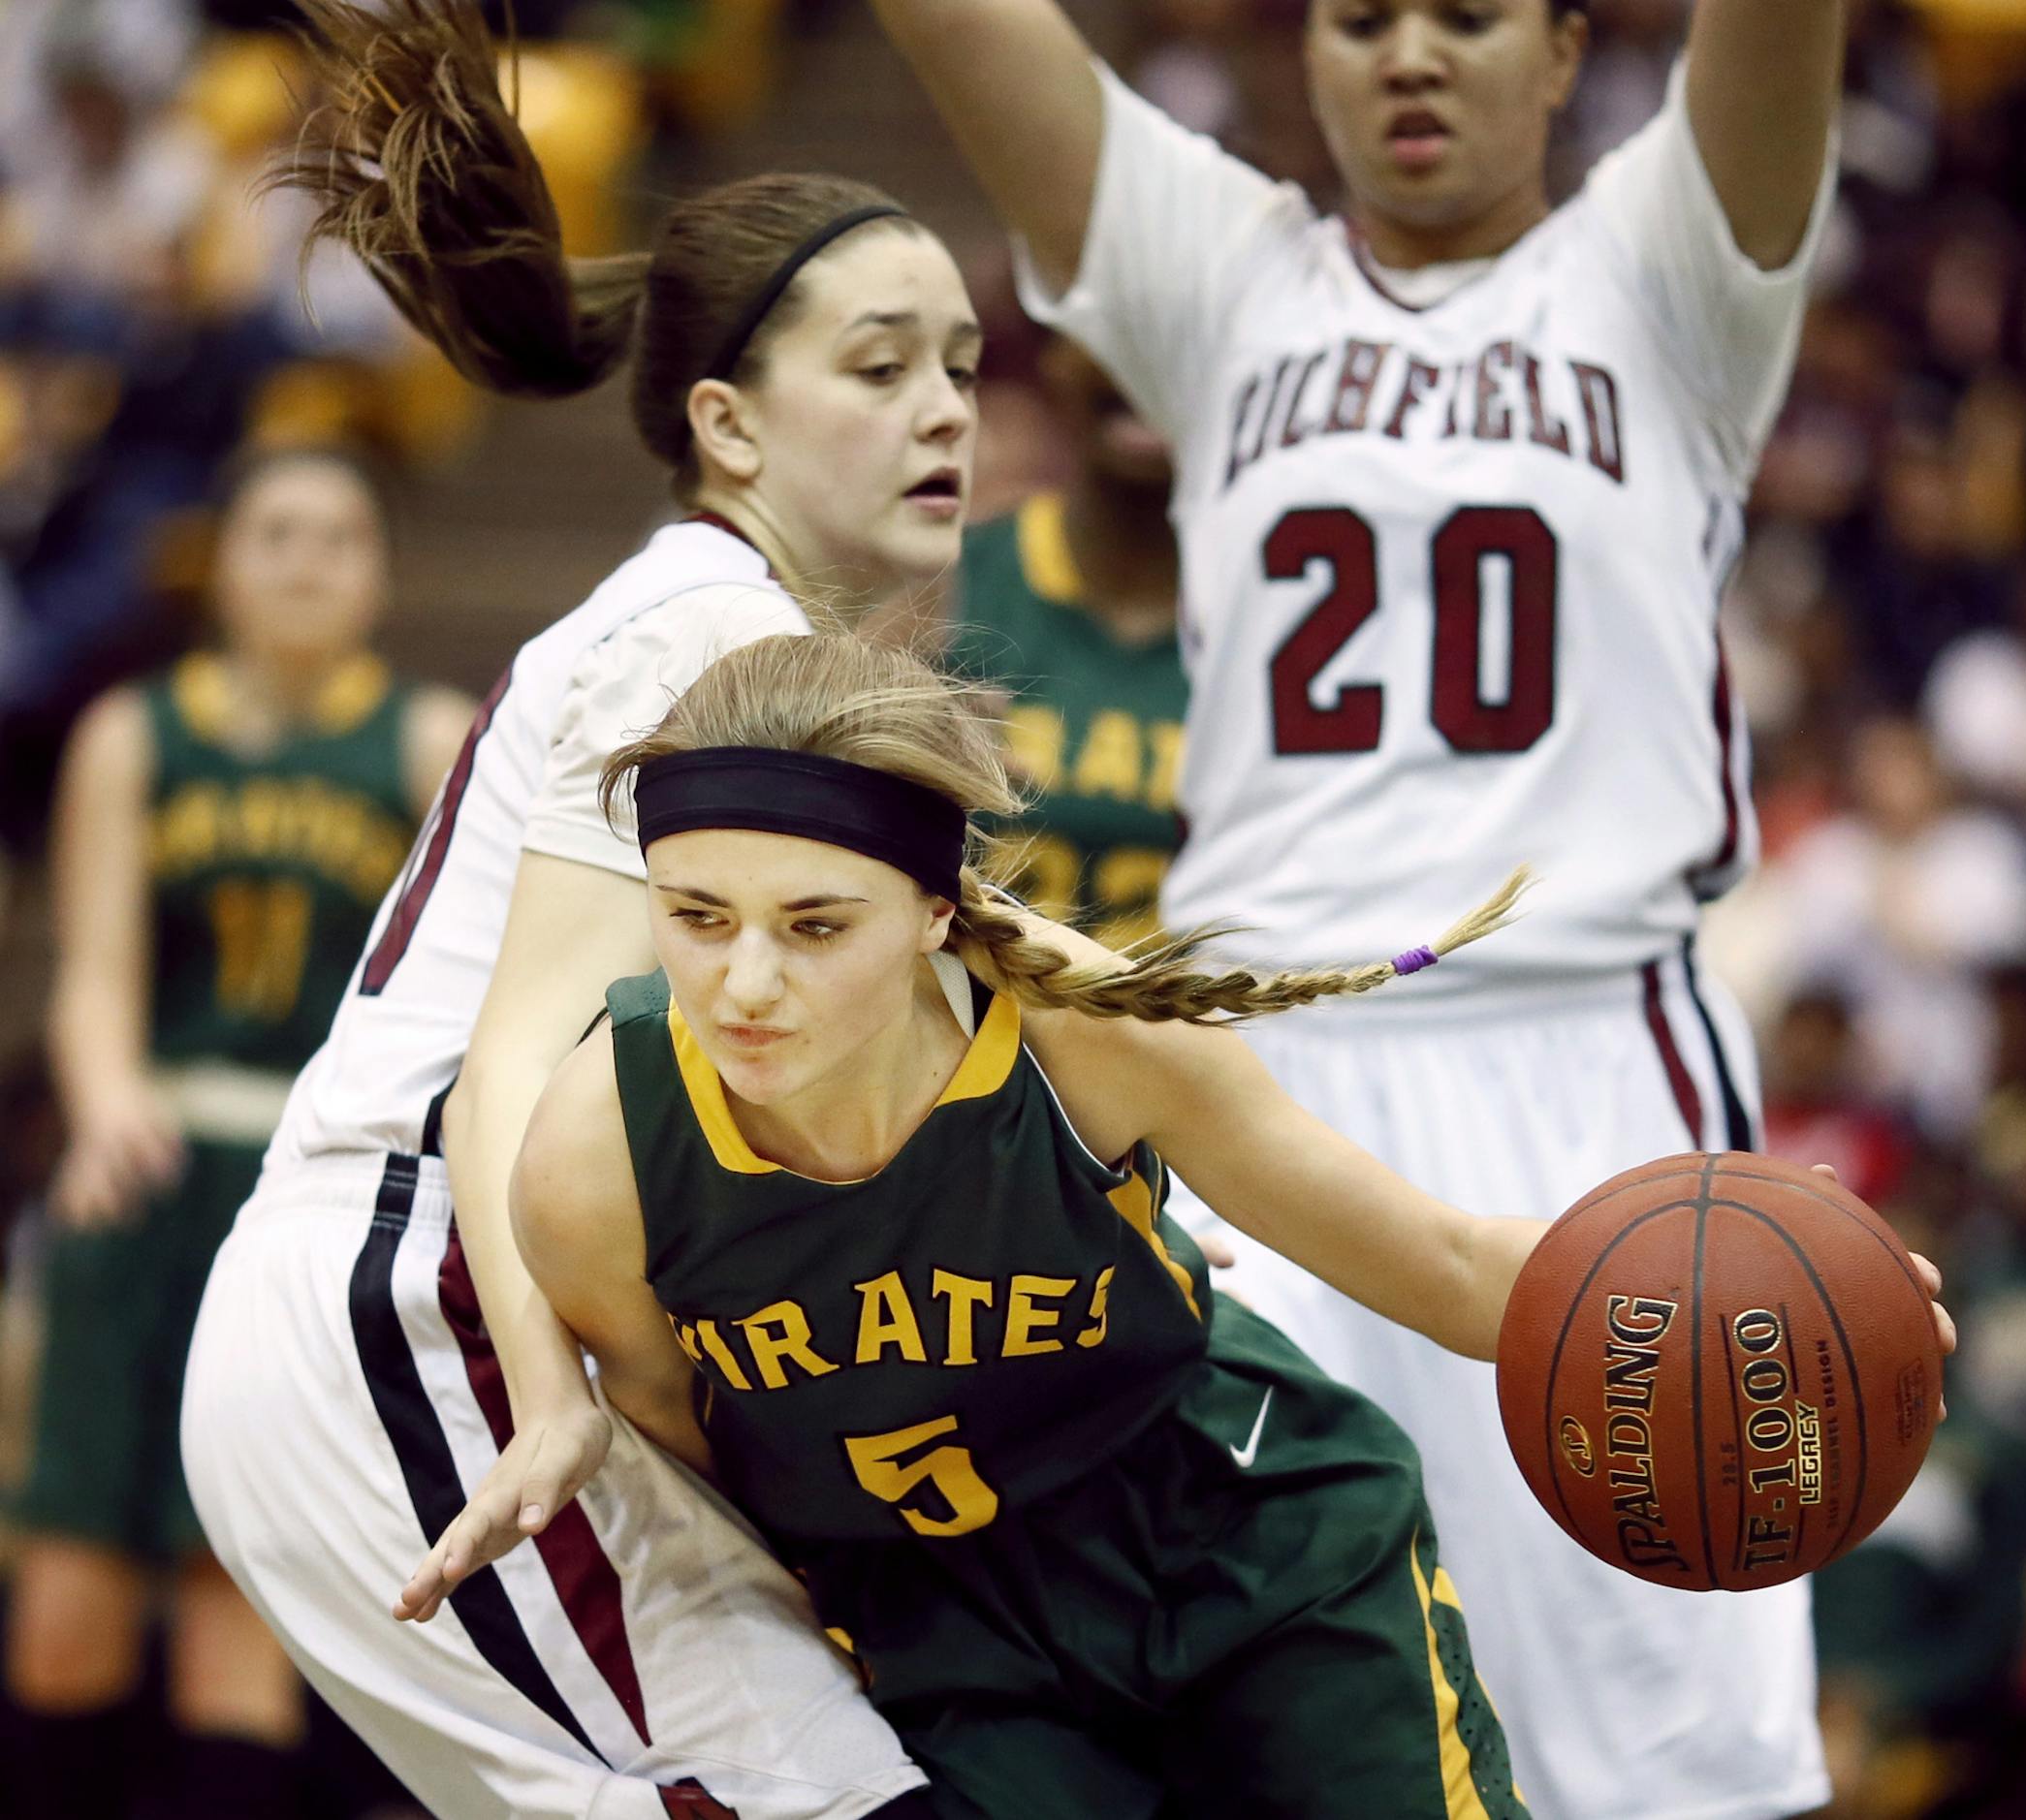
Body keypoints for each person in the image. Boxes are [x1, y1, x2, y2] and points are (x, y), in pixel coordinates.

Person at [869, 1, 1845, 1814]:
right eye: (1360, 19)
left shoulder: (1665, 266)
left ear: (1565, 50)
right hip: (1260, 1089)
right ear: (1298, 55)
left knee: (1662, 1737)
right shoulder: (1227, 277)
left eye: (1468, 17)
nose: (1409, 55)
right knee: (1280, 1717)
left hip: (1586, 1058)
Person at [178, 2, 970, 1815]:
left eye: (962, 361)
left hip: (431, 1310)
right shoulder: (698, 629)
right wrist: (542, 1397)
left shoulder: (759, 643)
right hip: (425, 1307)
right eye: (877, 366)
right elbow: (507, 1075)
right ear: (729, 424)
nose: (942, 408)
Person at [517, 628, 1543, 1819]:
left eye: (815, 926)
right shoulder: (596, 1161)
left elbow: (1453, 1267)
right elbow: (690, 1451)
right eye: (698, 917)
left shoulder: (1086, 1037)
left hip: (1238, 1528)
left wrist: (1684, 1322)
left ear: (934, 915)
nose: (745, 985)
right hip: (942, 1628)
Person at [6, 445, 473, 1820]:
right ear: (225, 561)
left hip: (308, 1200)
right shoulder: (133, 731)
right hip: (152, 1166)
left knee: (243, 1601)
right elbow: (94, 971)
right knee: (66, 1591)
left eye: (340, 534)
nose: (308, 559)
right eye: (277, 531)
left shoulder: (429, 737)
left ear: (383, 572)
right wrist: (102, 1105)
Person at [938, 335, 1187, 947]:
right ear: (1052, 359)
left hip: (1204, 1030)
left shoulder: (1285, 608)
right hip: (977, 1025)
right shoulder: (941, 582)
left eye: (1176, 338)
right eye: (1114, 330)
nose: (1142, 365)